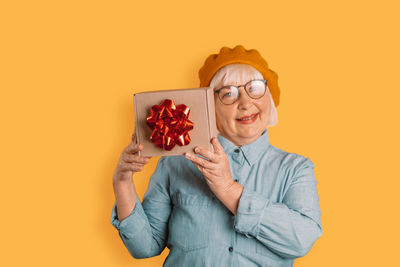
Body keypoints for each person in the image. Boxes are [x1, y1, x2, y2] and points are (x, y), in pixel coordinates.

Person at [111, 45, 322, 267]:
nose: (245, 103)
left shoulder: (296, 169)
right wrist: (122, 182)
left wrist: (229, 189)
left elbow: (302, 240)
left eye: (255, 88)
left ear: (269, 97)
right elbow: (145, 247)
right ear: (209, 107)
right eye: (228, 93)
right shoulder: (174, 165)